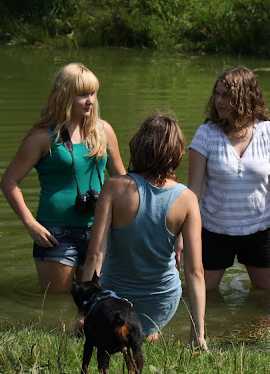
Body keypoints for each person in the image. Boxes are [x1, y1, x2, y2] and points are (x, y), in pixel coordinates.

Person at [80, 112, 207, 348]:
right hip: (161, 302)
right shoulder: (188, 199)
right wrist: (198, 334)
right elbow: (195, 271)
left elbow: (95, 255)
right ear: (177, 152)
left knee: (112, 330)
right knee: (144, 332)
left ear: (138, 146)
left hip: (115, 297)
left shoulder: (114, 187)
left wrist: (85, 312)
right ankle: (148, 332)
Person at [0, 63, 125, 294]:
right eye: (82, 94)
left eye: (93, 93)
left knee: (95, 301)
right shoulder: (42, 137)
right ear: (64, 95)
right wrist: (30, 224)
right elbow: (9, 182)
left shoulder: (104, 131)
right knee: (56, 305)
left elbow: (122, 181)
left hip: (99, 229)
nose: (90, 101)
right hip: (56, 233)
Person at [187, 67, 270, 292]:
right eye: (217, 94)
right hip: (214, 231)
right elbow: (193, 192)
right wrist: (183, 236)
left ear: (247, 96)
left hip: (260, 231)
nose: (219, 101)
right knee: (203, 299)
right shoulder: (206, 133)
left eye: (226, 95)